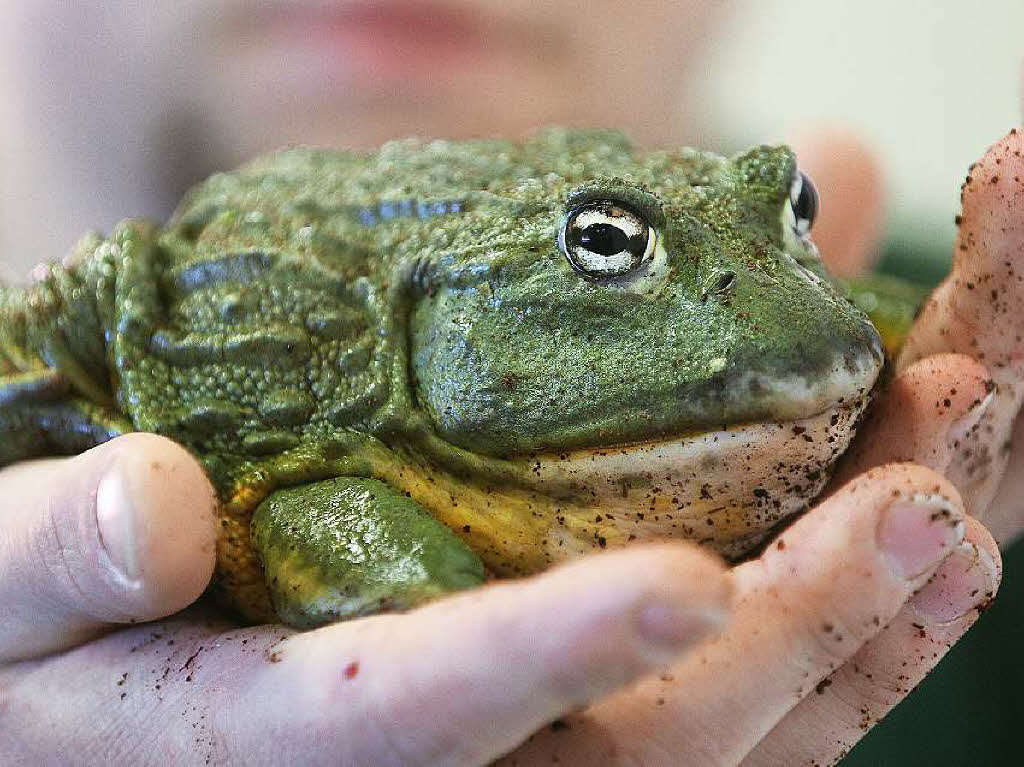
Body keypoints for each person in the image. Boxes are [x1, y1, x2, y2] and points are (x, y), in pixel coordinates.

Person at [1, 2, 1021, 763]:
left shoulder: (982, 332)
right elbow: (316, 514)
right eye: (606, 245)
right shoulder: (92, 349)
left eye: (789, 214)